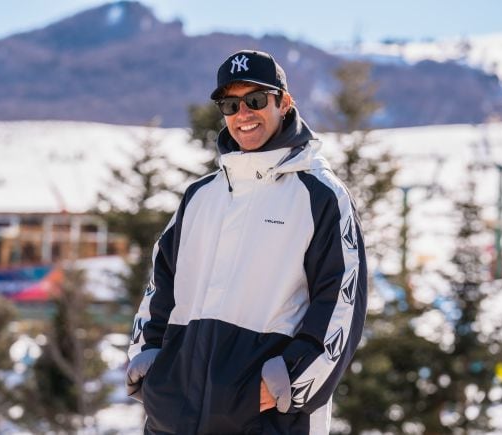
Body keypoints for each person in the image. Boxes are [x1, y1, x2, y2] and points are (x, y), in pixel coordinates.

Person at [126, 49, 368, 434]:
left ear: (284, 103)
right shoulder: (200, 196)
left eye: (256, 100)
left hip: (266, 420)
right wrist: (149, 359)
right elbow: (161, 283)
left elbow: (340, 301)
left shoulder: (320, 195)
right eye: (230, 104)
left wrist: (292, 380)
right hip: (174, 417)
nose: (243, 114)